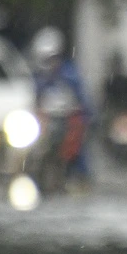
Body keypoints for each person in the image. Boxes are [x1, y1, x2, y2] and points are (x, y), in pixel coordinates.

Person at [29, 27, 94, 183]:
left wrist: (88, 116)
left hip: (69, 119)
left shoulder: (69, 74)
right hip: (44, 121)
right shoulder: (36, 78)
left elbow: (84, 100)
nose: (49, 63)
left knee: (77, 148)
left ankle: (80, 176)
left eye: (51, 58)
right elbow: (30, 98)